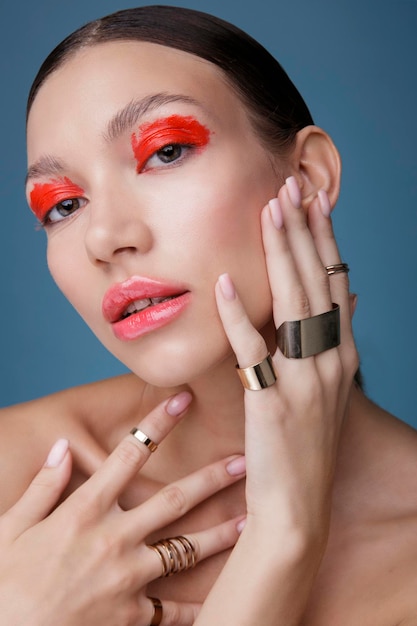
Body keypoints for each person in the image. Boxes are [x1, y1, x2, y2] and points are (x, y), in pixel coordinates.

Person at [1, 5, 416, 625]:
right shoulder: (20, 473)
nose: (104, 236)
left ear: (306, 176)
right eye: (64, 206)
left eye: (165, 151)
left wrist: (287, 530)